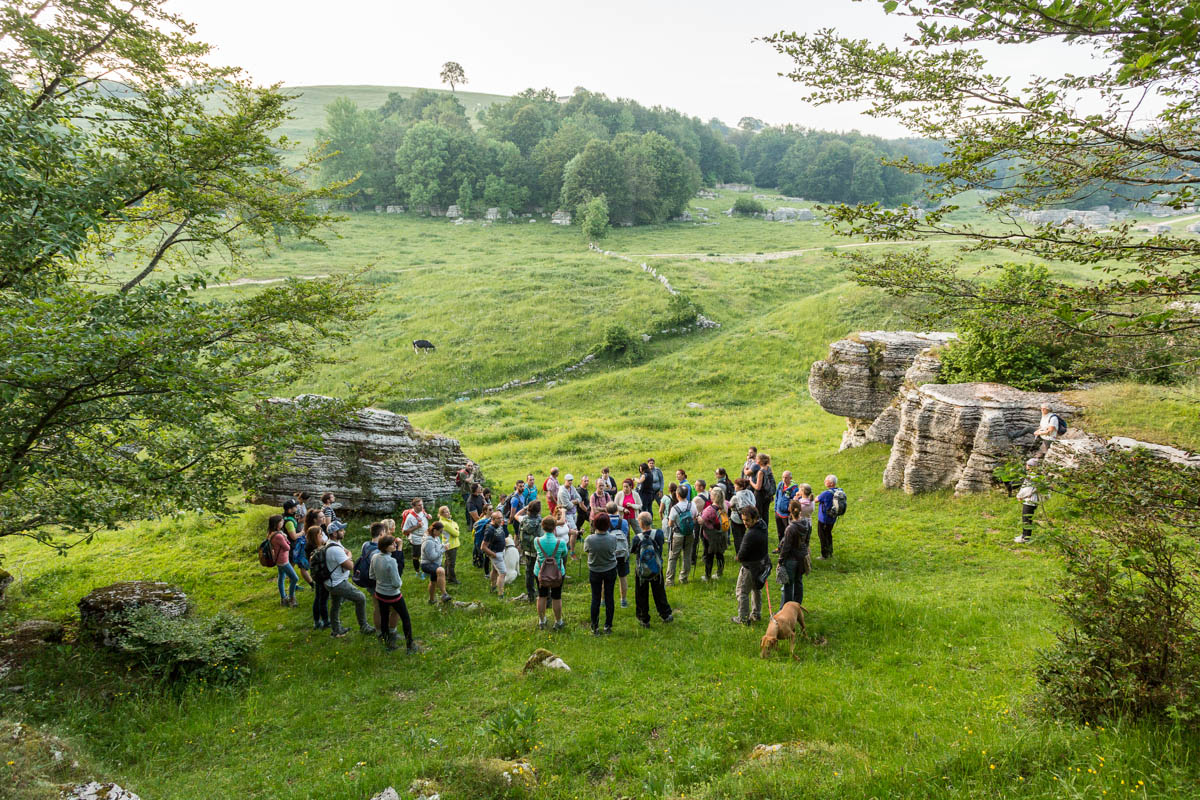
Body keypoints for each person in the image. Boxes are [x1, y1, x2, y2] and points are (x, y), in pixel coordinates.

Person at [324, 522, 376, 638]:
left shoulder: (334, 543)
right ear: (334, 533)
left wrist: (347, 556)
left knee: (335, 604)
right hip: (337, 583)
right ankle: (364, 626)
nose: (344, 531)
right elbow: (351, 565)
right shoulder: (335, 550)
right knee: (360, 598)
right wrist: (348, 558)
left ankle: (336, 630)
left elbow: (347, 552)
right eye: (341, 530)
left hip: (331, 581)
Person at [369, 535, 418, 653]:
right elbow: (396, 583)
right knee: (405, 618)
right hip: (393, 595)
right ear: (385, 547)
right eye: (392, 544)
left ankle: (387, 644)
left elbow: (371, 575)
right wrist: (398, 584)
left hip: (380, 593)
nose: (395, 545)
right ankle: (410, 645)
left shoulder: (375, 556)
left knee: (384, 618)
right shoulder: (391, 561)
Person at [631, 511, 673, 627]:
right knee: (659, 592)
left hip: (642, 570)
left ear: (640, 524)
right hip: (656, 567)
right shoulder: (658, 534)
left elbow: (633, 551)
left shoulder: (637, 538)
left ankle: (643, 618)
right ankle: (665, 614)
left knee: (641, 594)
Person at [732, 506, 769, 625]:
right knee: (756, 589)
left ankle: (743, 618)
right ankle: (756, 614)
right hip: (761, 564)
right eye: (743, 520)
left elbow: (741, 555)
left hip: (750, 567)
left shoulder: (751, 534)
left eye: (747, 520)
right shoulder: (763, 525)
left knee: (742, 592)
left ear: (755, 518)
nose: (745, 523)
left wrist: (737, 557)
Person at [584, 513, 619, 635]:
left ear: (594, 524)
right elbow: (614, 550)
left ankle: (595, 627)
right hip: (610, 569)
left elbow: (587, 550)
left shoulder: (589, 539)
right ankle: (608, 626)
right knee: (609, 597)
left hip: (595, 570)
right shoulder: (613, 538)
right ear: (608, 525)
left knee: (595, 598)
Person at [534, 515, 568, 630]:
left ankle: (542, 620)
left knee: (541, 595)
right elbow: (564, 554)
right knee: (556, 597)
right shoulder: (561, 542)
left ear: (542, 527)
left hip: (540, 572)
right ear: (555, 527)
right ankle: (558, 621)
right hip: (557, 573)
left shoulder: (537, 540)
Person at [778, 500, 811, 606]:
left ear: (790, 510)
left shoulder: (790, 528)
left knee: (788, 585)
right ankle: (797, 606)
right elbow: (807, 540)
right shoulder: (806, 524)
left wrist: (780, 560)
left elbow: (786, 547)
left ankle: (786, 609)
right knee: (798, 582)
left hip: (791, 558)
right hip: (802, 556)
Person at [665, 485, 697, 586]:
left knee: (673, 557)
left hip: (678, 534)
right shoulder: (692, 505)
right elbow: (695, 518)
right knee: (687, 556)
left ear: (677, 495)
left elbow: (670, 524)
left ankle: (670, 581)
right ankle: (683, 578)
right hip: (689, 534)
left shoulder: (675, 508)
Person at [268, 515, 298, 607]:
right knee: (295, 578)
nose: (283, 523)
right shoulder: (279, 536)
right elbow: (287, 547)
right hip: (283, 560)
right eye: (281, 522)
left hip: (277, 560)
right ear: (277, 524)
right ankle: (291, 598)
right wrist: (285, 538)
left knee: (281, 578)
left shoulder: (271, 533)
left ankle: (283, 598)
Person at [700, 486, 729, 581]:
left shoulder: (710, 510)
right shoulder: (725, 505)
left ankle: (707, 576)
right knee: (720, 554)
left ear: (714, 497)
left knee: (709, 556)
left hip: (710, 536)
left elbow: (702, 520)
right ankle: (719, 573)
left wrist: (698, 518)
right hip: (722, 534)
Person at [517, 500, 543, 603]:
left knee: (529, 572)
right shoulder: (539, 521)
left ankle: (530, 594)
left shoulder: (524, 519)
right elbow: (541, 535)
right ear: (538, 511)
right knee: (539, 571)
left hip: (527, 549)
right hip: (538, 550)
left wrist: (525, 508)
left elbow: (516, 517)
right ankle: (541, 593)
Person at [606, 501, 631, 608]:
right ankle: (623, 601)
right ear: (617, 510)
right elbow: (625, 534)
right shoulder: (624, 522)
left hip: (609, 553)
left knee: (606, 578)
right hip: (622, 552)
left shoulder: (605, 522)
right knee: (623, 576)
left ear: (606, 511)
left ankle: (604, 600)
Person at [421, 521, 452, 604]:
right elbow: (432, 557)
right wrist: (443, 549)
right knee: (441, 571)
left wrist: (444, 545)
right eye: (440, 531)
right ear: (434, 530)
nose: (441, 533)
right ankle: (444, 594)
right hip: (427, 564)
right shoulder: (428, 542)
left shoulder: (436, 537)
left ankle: (431, 600)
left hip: (435, 563)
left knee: (433, 582)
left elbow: (438, 547)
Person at [479, 511, 508, 598]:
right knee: (502, 573)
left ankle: (493, 587)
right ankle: (500, 594)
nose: (500, 520)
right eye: (498, 518)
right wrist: (493, 555)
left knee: (495, 570)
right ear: (492, 519)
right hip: (496, 553)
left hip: (500, 552)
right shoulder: (490, 530)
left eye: (501, 518)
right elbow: (483, 547)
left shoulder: (499, 526)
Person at [306, 524, 330, 629]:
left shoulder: (313, 547)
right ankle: (325, 621)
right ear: (315, 537)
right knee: (322, 599)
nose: (322, 536)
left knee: (318, 598)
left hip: (316, 576)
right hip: (321, 576)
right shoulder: (316, 550)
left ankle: (317, 621)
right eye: (320, 535)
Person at [402, 498, 432, 578]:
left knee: (427, 554)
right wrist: (416, 527)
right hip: (416, 538)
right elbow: (404, 532)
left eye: (422, 504)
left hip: (426, 536)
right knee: (416, 556)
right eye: (419, 505)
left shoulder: (422, 511)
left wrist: (428, 516)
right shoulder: (410, 517)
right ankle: (418, 572)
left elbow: (425, 519)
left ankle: (427, 571)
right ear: (414, 506)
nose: (421, 506)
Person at [1015, 459, 1042, 543]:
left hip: (1030, 500)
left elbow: (1028, 489)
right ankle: (1024, 535)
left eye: (1027, 464)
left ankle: (1025, 538)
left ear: (1031, 466)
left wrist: (1020, 496)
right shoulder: (1036, 475)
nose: (1026, 466)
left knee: (1026, 519)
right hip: (1032, 500)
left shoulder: (1032, 476)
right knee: (1027, 519)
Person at [557, 474, 585, 552]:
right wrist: (575, 502)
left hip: (573, 512)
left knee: (568, 530)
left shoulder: (572, 488)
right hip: (565, 514)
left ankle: (568, 546)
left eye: (571, 480)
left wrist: (573, 502)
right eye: (569, 480)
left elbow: (579, 498)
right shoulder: (562, 491)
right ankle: (572, 552)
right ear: (565, 480)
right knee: (574, 532)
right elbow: (567, 506)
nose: (570, 482)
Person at [816, 474, 839, 560]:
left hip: (824, 519)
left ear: (832, 483)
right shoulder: (838, 491)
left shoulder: (826, 493)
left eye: (826, 481)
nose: (825, 482)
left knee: (822, 536)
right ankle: (830, 552)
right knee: (828, 534)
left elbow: (816, 499)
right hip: (832, 518)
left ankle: (824, 555)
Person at [435, 506, 461, 584]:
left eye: (449, 511)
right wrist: (456, 528)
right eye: (446, 512)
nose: (449, 513)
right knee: (451, 563)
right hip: (450, 545)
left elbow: (455, 525)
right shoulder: (445, 523)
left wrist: (455, 527)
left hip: (448, 544)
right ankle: (452, 579)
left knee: (447, 561)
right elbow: (456, 533)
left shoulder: (446, 521)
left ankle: (446, 575)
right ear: (441, 514)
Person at [730, 477, 755, 554]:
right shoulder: (750, 493)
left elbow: (730, 505)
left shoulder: (736, 497)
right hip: (747, 519)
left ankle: (739, 554)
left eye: (736, 485)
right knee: (743, 535)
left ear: (741, 487)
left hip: (736, 519)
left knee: (737, 538)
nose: (734, 486)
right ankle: (746, 551)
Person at [774, 470, 799, 545]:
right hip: (778, 513)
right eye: (783, 477)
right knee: (779, 532)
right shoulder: (780, 484)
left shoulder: (794, 489)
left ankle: (788, 548)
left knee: (787, 533)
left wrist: (790, 512)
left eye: (786, 478)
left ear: (790, 478)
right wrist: (775, 508)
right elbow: (777, 497)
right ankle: (780, 547)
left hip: (786, 515)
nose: (784, 479)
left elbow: (793, 502)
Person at [751, 453, 775, 525]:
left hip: (760, 495)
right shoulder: (769, 468)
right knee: (766, 513)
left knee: (759, 513)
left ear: (760, 461)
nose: (756, 460)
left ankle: (759, 530)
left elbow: (758, 487)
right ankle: (765, 530)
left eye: (757, 459)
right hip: (768, 494)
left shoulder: (761, 472)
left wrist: (751, 481)